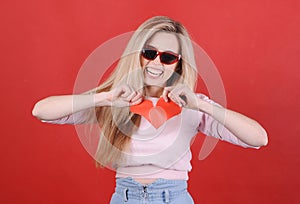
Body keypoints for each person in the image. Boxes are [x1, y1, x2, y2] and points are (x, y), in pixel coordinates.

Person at [32, 16, 268, 204]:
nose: (156, 63)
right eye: (149, 53)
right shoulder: (116, 101)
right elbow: (41, 111)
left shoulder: (192, 105)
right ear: (137, 55)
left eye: (168, 57)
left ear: (179, 64)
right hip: (124, 197)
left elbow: (258, 138)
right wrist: (104, 97)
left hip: (173, 197)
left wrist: (202, 105)